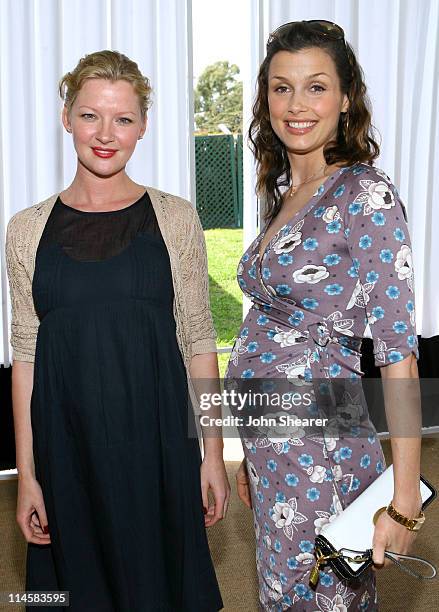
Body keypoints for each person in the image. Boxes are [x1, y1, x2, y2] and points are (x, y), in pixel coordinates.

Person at [5, 50, 229, 611]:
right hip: (66, 452)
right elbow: (26, 356)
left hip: (156, 448)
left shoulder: (175, 217)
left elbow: (200, 343)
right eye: (90, 116)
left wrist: (211, 456)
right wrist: (27, 476)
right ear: (66, 117)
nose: (106, 134)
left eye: (123, 119)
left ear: (144, 127)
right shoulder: (25, 230)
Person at [226, 21, 422, 611]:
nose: (296, 105)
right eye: (281, 88)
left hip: (323, 455)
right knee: (282, 594)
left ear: (345, 98)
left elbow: (398, 353)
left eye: (315, 87)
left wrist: (404, 498)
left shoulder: (367, 195)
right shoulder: (287, 191)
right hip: (274, 450)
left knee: (320, 599)